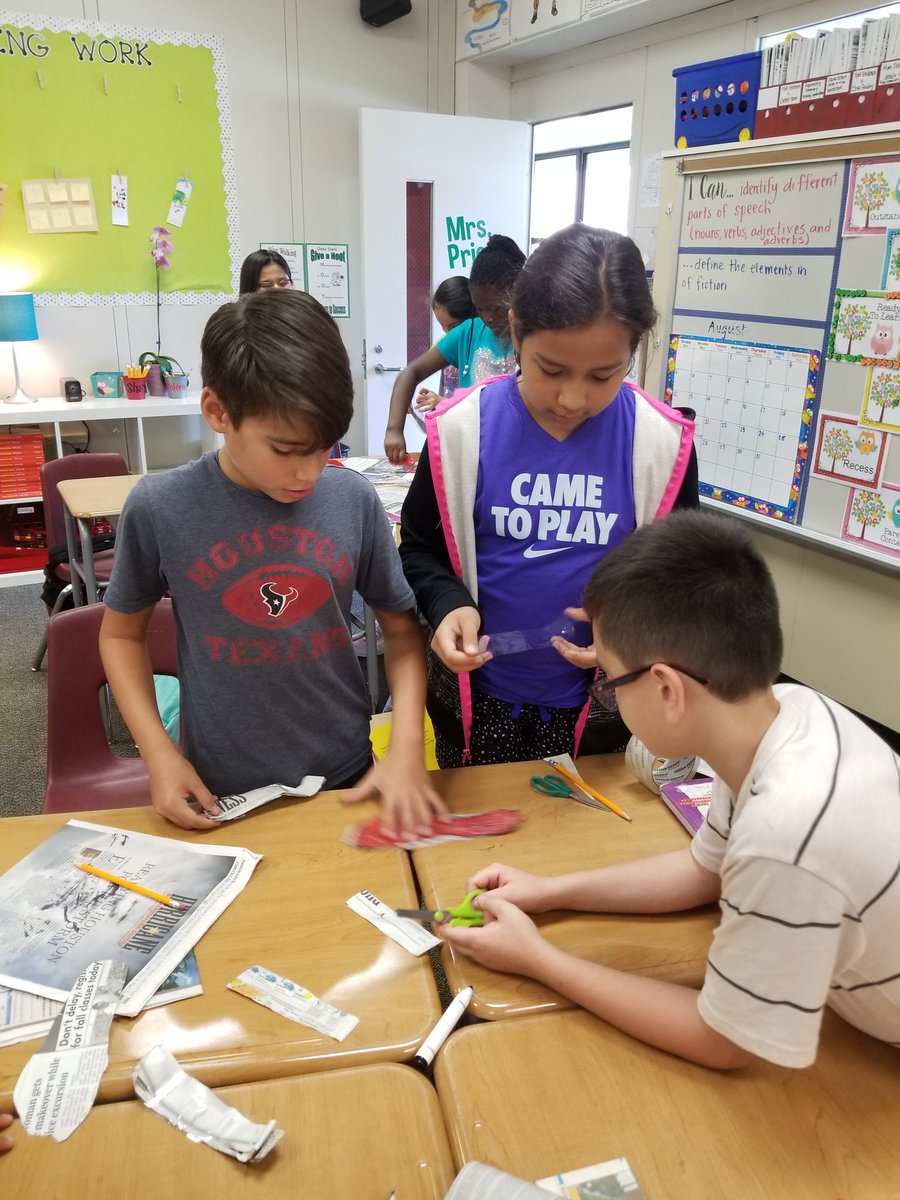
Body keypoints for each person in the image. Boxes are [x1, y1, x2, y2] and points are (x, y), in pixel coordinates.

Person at [442, 510, 900, 1070]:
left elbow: (724, 1042)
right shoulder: (793, 714)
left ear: (666, 688)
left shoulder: (788, 831)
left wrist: (538, 959)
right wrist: (549, 891)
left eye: (607, 677)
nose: (605, 690)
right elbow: (704, 871)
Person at [100, 289, 444, 837]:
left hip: (347, 776)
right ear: (217, 411)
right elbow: (120, 637)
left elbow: (402, 634)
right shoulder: (161, 507)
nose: (308, 472)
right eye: (285, 449)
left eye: (325, 446)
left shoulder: (351, 500)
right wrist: (158, 756)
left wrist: (404, 747)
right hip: (219, 786)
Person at [399, 223, 698, 769]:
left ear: (634, 350)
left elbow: (682, 581)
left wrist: (628, 636)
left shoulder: (661, 443)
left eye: (603, 375)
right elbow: (418, 548)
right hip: (478, 701)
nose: (571, 398)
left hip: (605, 708)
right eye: (551, 369)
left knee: (582, 840)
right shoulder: (462, 431)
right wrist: (447, 605)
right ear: (514, 330)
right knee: (484, 837)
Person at [384, 234, 525, 463]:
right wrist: (394, 429)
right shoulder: (468, 331)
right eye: (480, 309)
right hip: (467, 455)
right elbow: (411, 373)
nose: (488, 318)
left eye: (496, 308)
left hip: (514, 457)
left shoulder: (535, 339)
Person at [415, 276, 477, 416]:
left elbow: (474, 406)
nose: (447, 332)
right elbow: (417, 370)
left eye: (453, 326)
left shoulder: (478, 351)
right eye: (441, 324)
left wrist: (440, 401)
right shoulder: (445, 342)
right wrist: (410, 390)